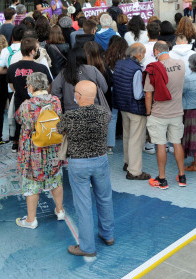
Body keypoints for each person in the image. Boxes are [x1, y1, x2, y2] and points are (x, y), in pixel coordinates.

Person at [58, 80, 114, 257]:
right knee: (104, 198)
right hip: (101, 160)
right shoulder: (103, 113)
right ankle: (108, 235)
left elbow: (59, 129)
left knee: (83, 205)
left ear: (78, 96)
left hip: (79, 163)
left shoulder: (70, 116)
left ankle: (87, 247)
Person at [14, 72, 65, 229]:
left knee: (32, 185)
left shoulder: (26, 106)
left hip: (33, 152)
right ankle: (60, 210)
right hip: (53, 148)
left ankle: (31, 220)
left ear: (31, 86)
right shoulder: (55, 101)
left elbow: (19, 119)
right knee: (55, 179)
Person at [144, 42, 185, 189]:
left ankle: (162, 179)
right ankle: (182, 176)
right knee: (177, 143)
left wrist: (148, 113)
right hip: (177, 111)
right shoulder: (181, 64)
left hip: (159, 113)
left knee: (161, 145)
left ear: (156, 51)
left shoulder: (153, 69)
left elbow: (149, 95)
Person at [112, 43, 151, 181]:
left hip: (123, 106)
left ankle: (127, 162)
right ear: (138, 54)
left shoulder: (119, 64)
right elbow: (137, 94)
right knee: (136, 139)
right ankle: (134, 171)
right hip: (135, 108)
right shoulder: (137, 70)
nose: (144, 56)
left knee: (127, 136)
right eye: (144, 53)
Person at [8, 38, 53, 147]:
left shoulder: (12, 68)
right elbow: (49, 85)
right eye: (37, 49)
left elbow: (11, 86)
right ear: (32, 51)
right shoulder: (41, 67)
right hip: (39, 105)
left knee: (22, 128)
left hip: (20, 102)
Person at [51, 47, 107, 112]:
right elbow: (104, 88)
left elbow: (55, 92)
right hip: (93, 106)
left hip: (70, 108)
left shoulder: (63, 73)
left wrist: (62, 105)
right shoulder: (92, 70)